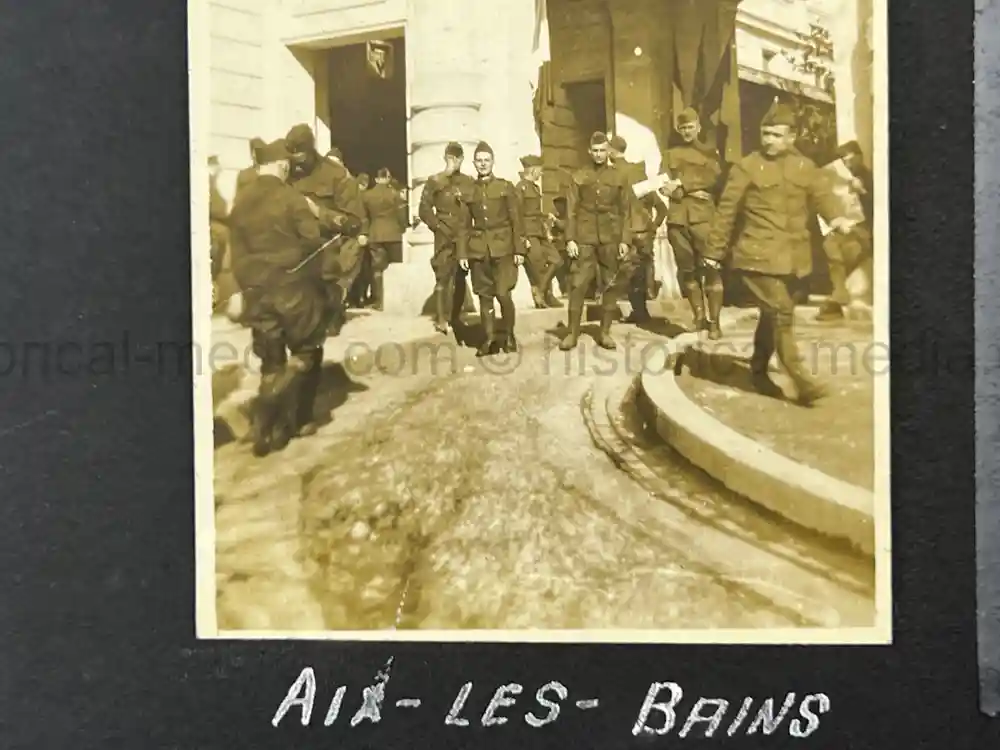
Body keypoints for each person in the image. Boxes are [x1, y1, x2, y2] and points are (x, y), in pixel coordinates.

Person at [702, 99, 855, 406]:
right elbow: (727, 211)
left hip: (793, 260)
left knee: (772, 315)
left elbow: (822, 195)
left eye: (775, 134)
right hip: (756, 256)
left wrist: (837, 218)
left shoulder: (804, 166)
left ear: (791, 136)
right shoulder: (747, 166)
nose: (768, 140)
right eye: (765, 133)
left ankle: (758, 371)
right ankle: (803, 380)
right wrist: (714, 252)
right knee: (781, 312)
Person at [227, 138, 330, 456]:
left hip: (257, 293)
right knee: (306, 353)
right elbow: (313, 244)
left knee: (271, 360)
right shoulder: (293, 198)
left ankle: (268, 428)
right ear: (283, 166)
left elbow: (236, 252)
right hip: (294, 290)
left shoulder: (241, 202)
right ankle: (282, 416)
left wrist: (239, 290)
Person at [285, 124, 366, 336]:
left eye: (300, 155)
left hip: (326, 246)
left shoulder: (336, 174)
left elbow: (354, 222)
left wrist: (318, 212)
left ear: (311, 149)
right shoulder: (288, 174)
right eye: (292, 156)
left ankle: (332, 308)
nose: (296, 162)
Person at [559, 131, 636, 351]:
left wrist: (624, 240)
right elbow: (571, 210)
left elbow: (626, 211)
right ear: (589, 151)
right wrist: (570, 239)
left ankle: (604, 332)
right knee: (577, 284)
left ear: (608, 151)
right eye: (595, 151)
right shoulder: (579, 176)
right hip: (584, 237)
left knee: (610, 285)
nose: (599, 155)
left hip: (610, 237)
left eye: (603, 150)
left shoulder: (619, 177)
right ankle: (572, 334)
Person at [458, 141, 527, 356]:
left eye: (486, 160)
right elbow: (463, 225)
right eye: (479, 161)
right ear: (474, 163)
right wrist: (462, 252)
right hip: (479, 250)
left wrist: (519, 250)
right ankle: (488, 339)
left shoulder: (505, 187)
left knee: (503, 293)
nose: (483, 164)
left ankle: (509, 335)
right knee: (484, 295)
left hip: (503, 248)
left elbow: (516, 220)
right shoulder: (469, 191)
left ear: (493, 162)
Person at [664, 108, 724, 336]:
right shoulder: (670, 154)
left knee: (711, 268)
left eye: (691, 127)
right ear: (678, 130)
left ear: (698, 127)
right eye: (683, 128)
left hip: (703, 218)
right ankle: (699, 317)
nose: (687, 132)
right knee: (687, 271)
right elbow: (663, 183)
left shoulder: (710, 154)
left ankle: (715, 322)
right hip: (678, 220)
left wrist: (682, 186)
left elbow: (713, 179)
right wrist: (681, 190)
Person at [418, 141, 477, 335]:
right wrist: (437, 227)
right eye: (450, 158)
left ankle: (455, 316)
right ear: (445, 158)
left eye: (457, 158)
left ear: (462, 159)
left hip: (463, 234)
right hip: (444, 233)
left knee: (460, 277)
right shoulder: (435, 181)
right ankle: (442, 319)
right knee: (442, 276)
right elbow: (424, 209)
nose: (453, 162)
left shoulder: (468, 182)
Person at [608, 134, 667, 324]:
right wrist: (654, 227)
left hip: (625, 232)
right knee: (640, 272)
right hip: (645, 232)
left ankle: (615, 312)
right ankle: (641, 312)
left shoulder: (612, 174)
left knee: (622, 271)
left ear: (611, 150)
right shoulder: (638, 173)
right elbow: (662, 207)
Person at [815, 140, 873, 321]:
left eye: (849, 159)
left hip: (863, 228)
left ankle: (838, 297)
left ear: (858, 157)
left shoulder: (865, 175)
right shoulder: (833, 176)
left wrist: (862, 191)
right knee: (831, 247)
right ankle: (838, 295)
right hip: (841, 227)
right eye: (843, 160)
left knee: (848, 250)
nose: (846, 163)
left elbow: (875, 206)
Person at [516, 154, 563, 308]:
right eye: (540, 170)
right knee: (538, 267)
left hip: (539, 232)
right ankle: (544, 296)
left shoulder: (535, 188)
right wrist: (523, 238)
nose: (541, 173)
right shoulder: (520, 188)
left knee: (557, 260)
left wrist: (546, 217)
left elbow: (534, 211)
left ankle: (540, 291)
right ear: (533, 170)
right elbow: (518, 214)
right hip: (529, 233)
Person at [358, 167, 408, 310]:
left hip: (375, 235)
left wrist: (365, 232)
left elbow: (364, 217)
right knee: (395, 267)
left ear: (376, 179)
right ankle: (396, 300)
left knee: (377, 268)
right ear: (388, 178)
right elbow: (401, 216)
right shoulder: (395, 195)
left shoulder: (367, 196)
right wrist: (403, 228)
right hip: (394, 234)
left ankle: (379, 302)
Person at [208, 156, 229, 291]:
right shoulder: (206, 182)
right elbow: (214, 207)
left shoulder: (213, 183)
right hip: (211, 226)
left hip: (218, 225)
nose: (219, 171)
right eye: (217, 168)